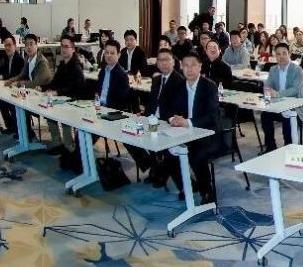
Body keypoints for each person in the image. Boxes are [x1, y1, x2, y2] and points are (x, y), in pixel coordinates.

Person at [163, 53, 223, 204]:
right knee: (168, 152)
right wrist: (173, 119)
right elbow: (167, 109)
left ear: (200, 67)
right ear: (181, 67)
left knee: (196, 154)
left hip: (207, 132)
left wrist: (188, 122)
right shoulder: (178, 86)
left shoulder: (209, 86)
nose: (189, 69)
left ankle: (207, 192)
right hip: (184, 132)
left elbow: (211, 116)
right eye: (185, 66)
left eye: (193, 65)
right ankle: (187, 186)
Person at [126, 48, 182, 182]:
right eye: (160, 60)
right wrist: (143, 116)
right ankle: (153, 165)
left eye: (166, 60)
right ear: (157, 63)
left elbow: (179, 108)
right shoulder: (156, 79)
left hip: (167, 122)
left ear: (173, 62)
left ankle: (159, 170)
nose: (163, 63)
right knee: (128, 135)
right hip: (152, 120)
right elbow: (151, 102)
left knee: (154, 138)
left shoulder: (179, 81)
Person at [260, 44, 303, 151]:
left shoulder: (297, 69)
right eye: (278, 54)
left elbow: (295, 90)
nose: (281, 56)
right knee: (265, 115)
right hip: (278, 106)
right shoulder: (273, 69)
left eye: (284, 53)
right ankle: (271, 147)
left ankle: (288, 149)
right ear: (275, 56)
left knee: (287, 117)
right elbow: (267, 86)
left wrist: (277, 94)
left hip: (295, 107)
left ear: (289, 54)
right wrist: (267, 91)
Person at [44, 37, 87, 155]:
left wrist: (57, 92)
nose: (63, 49)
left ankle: (69, 146)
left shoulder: (76, 66)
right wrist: (43, 88)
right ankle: (57, 143)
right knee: (47, 110)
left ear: (73, 49)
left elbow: (74, 88)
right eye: (62, 46)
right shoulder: (62, 65)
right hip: (64, 99)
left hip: (75, 101)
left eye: (66, 46)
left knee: (63, 114)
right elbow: (54, 82)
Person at [0, 35, 25, 133]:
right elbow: (2, 69)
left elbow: (12, 76)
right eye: (5, 46)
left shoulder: (19, 59)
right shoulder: (7, 57)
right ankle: (10, 126)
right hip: (9, 87)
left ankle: (16, 127)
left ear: (15, 46)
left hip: (18, 89)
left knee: (6, 99)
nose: (7, 48)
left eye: (9, 45)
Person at [94, 40, 130, 112]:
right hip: (98, 107)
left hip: (111, 110)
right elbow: (98, 92)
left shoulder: (122, 75)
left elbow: (121, 101)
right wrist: (96, 105)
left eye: (112, 53)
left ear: (118, 55)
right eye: (107, 52)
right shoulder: (102, 71)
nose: (109, 55)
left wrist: (105, 109)